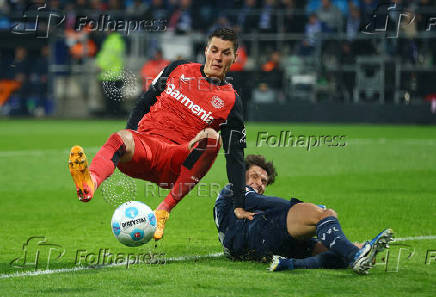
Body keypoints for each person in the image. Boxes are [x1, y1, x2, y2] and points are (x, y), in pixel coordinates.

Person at [68, 28, 254, 241]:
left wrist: (239, 204)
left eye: (226, 53)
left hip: (175, 160)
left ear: (235, 57)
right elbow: (144, 102)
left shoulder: (231, 101)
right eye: (215, 50)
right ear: (206, 50)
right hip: (145, 147)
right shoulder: (178, 68)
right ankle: (89, 181)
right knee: (120, 137)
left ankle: (163, 210)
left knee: (213, 138)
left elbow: (235, 155)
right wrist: (132, 134)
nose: (218, 57)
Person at [213, 154, 394, 274]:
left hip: (257, 248)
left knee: (333, 250)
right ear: (241, 174)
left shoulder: (247, 202)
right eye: (254, 176)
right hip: (254, 236)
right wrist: (301, 207)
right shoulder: (231, 189)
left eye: (264, 181)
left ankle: (357, 250)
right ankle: (357, 253)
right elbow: (264, 202)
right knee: (323, 214)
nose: (259, 183)